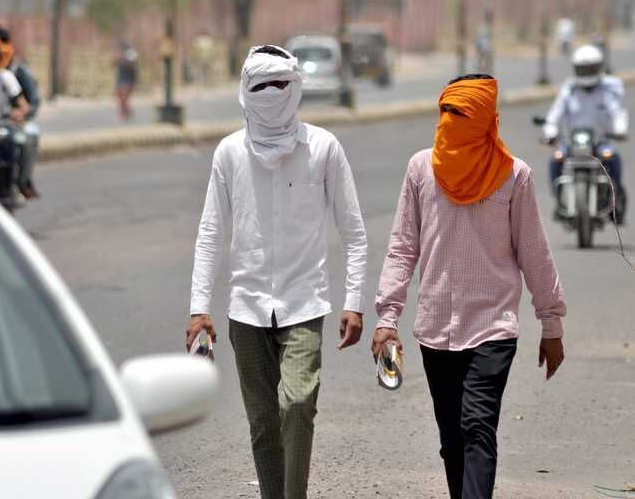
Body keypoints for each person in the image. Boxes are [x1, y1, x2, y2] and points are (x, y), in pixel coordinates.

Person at [373, 74, 567, 499]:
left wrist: (551, 324)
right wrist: (387, 319)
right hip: (435, 328)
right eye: (446, 111)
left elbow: (534, 252)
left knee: (477, 426)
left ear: (486, 121)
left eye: (462, 113)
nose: (451, 120)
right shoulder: (420, 168)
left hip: (493, 327)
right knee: (452, 440)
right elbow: (403, 247)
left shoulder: (515, 176)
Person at [187, 44, 367, 499]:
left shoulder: (324, 147)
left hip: (304, 303)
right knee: (263, 421)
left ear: (296, 85)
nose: (271, 93)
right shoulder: (229, 153)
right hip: (246, 308)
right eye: (261, 85)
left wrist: (354, 302)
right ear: (245, 91)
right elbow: (211, 232)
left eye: (279, 84)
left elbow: (355, 231)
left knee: (298, 403)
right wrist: (198, 309)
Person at [543, 44, 628, 224]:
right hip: (572, 143)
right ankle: (560, 202)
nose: (587, 72)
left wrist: (621, 129)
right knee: (555, 160)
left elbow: (617, 112)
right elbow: (554, 114)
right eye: (583, 68)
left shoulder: (606, 91)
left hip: (599, 142)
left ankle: (616, 197)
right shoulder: (569, 90)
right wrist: (550, 131)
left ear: (598, 68)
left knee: (613, 158)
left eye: (590, 68)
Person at [0, 21, 42, 198]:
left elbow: (31, 102)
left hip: (10, 123)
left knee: (30, 135)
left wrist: (21, 113)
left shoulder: (14, 71)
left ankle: (22, 180)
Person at [115, 41, 138, 121]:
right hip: (121, 81)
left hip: (128, 81)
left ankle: (125, 113)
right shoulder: (120, 58)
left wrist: (134, 84)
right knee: (121, 98)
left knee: (124, 98)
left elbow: (134, 71)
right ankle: (124, 113)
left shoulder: (130, 55)